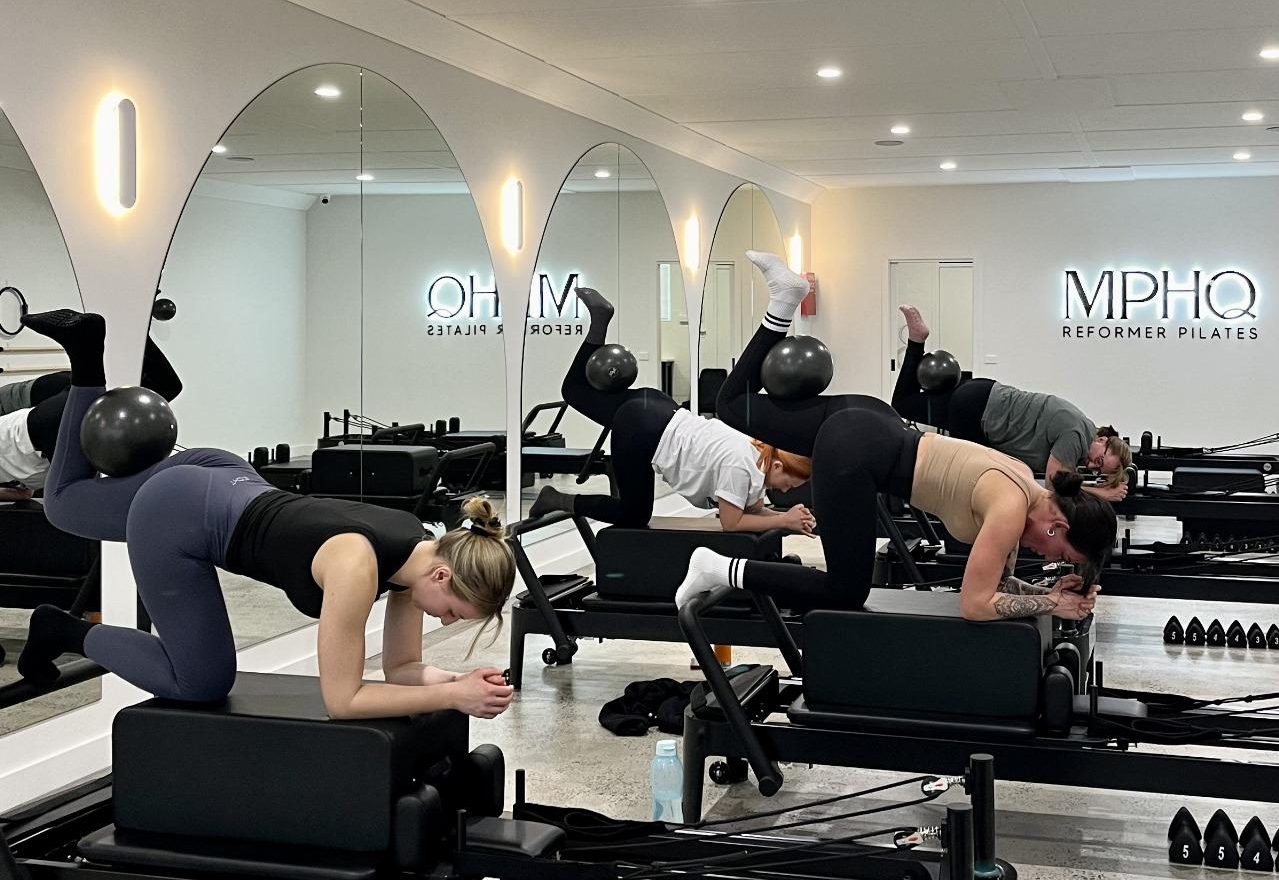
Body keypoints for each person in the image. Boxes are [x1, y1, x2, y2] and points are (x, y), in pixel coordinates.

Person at [16, 308, 516, 721]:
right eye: (453, 611)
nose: (444, 620)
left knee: (64, 503)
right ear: (443, 575)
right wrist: (451, 697)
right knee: (200, 682)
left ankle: (85, 357)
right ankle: (64, 631)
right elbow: (343, 701)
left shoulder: (420, 549)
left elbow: (401, 669)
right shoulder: (356, 567)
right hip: (179, 514)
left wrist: (462, 683)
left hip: (222, 473)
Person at [677, 253, 1115, 623]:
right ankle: (718, 568)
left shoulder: (1023, 484)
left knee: (732, 405)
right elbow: (975, 604)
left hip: (871, 422)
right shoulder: (1009, 509)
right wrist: (1052, 604)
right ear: (1058, 525)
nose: (1048, 558)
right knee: (845, 590)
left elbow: (998, 586)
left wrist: (1050, 595)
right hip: (856, 453)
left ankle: (784, 300)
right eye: (1062, 554)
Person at [529, 286, 815, 535]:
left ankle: (599, 321)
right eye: (789, 484)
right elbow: (731, 522)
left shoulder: (757, 453)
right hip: (643, 431)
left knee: (574, 391)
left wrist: (790, 520)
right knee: (633, 514)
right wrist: (784, 520)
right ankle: (556, 499)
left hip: (656, 408)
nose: (786, 491)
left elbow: (751, 512)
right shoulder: (740, 466)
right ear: (778, 466)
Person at [891, 306, 1131, 501]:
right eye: (1099, 460)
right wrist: (1101, 493)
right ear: (1102, 440)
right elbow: (1054, 483)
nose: (1092, 466)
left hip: (980, 396)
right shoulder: (1077, 436)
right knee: (972, 483)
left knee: (904, 403)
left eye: (1098, 471)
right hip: (977, 413)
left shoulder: (1081, 425)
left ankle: (916, 341)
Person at [0, 338, 182, 498]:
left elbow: (25, 494)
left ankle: (112, 331)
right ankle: (132, 324)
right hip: (39, 420)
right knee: (166, 387)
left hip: (34, 422)